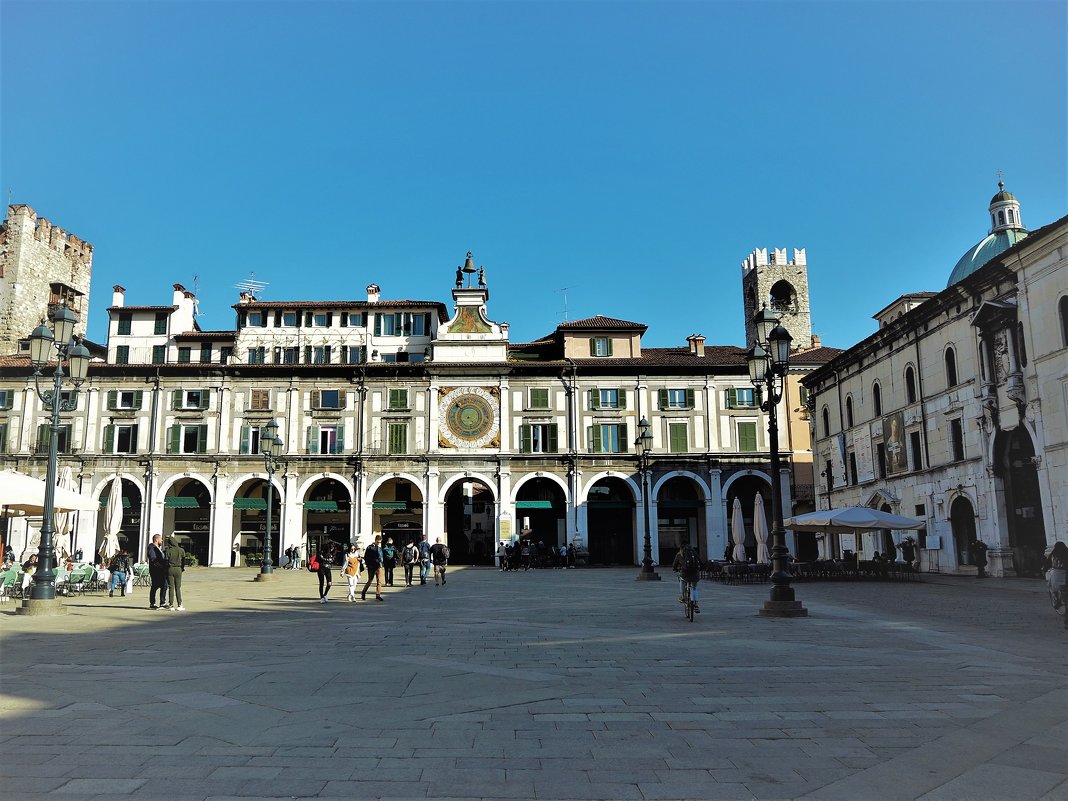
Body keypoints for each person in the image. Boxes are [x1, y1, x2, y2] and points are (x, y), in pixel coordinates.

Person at [1043, 541, 1067, 629]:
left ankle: (1057, 600)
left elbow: (1047, 564)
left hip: (1057, 575)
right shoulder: (1066, 552)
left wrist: (1044, 569)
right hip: (1066, 575)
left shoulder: (1054, 554)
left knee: (1050, 585)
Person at [672, 543, 701, 613]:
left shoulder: (679, 554)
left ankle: (682, 596)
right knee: (694, 588)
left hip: (685, 574)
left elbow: (674, 565)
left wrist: (675, 569)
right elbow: (700, 562)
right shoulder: (694, 553)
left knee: (681, 580)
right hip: (695, 574)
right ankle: (696, 604)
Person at [163, 535, 188, 611]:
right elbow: (184, 560)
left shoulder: (168, 550)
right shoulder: (181, 550)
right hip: (178, 569)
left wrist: (166, 569)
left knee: (171, 587)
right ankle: (180, 604)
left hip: (170, 569)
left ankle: (171, 604)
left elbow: (166, 561)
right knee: (178, 587)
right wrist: (182, 568)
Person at [147, 533, 169, 609]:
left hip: (161, 570)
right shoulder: (151, 547)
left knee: (164, 585)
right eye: (160, 539)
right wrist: (160, 565)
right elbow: (153, 558)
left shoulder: (158, 548)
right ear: (156, 539)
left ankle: (162, 602)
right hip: (156, 571)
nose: (162, 540)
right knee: (155, 586)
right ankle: (152, 603)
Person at [362, 535, 385, 601]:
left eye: (380, 542)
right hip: (372, 566)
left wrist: (382, 563)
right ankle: (363, 592)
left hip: (379, 566)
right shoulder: (369, 548)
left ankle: (378, 595)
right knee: (370, 580)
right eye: (378, 542)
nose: (379, 543)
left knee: (379, 581)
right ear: (375, 540)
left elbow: (381, 557)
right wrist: (369, 564)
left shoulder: (380, 548)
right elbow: (366, 557)